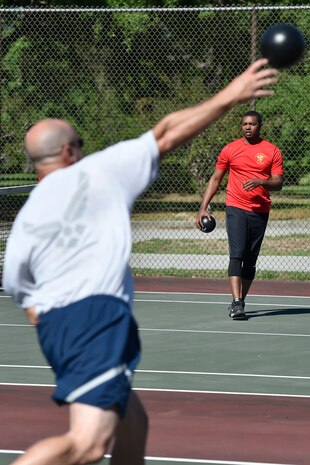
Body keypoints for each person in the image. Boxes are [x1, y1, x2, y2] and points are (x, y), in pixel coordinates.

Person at [3, 59, 277, 465]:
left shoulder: (27, 217)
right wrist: (231, 95)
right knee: (88, 444)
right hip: (94, 318)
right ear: (68, 151)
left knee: (134, 424)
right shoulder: (95, 172)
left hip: (58, 328)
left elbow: (22, 293)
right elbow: (166, 133)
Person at [196, 110, 283, 321]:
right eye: (244, 124)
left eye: (252, 124)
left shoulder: (272, 150)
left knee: (251, 260)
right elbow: (216, 179)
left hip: (260, 210)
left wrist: (261, 181)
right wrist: (203, 207)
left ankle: (240, 301)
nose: (247, 127)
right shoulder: (230, 149)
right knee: (237, 253)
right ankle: (236, 302)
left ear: (259, 125)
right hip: (235, 207)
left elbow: (278, 182)